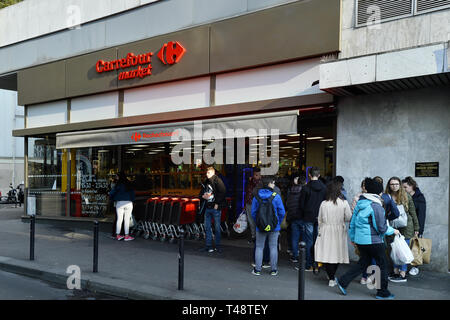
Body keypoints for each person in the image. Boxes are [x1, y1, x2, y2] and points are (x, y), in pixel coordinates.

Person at [335, 178, 400, 300]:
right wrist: (393, 230)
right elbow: (381, 228)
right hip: (373, 241)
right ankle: (382, 292)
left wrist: (353, 238)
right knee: (383, 265)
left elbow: (353, 223)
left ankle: (343, 281)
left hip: (361, 241)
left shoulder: (360, 202)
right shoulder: (376, 206)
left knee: (363, 263)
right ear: (378, 193)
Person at [314, 179, 352, 287]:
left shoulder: (324, 203)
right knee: (337, 254)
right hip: (339, 229)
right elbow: (349, 217)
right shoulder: (344, 203)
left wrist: (321, 228)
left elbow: (319, 219)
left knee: (327, 253)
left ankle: (330, 277)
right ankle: (332, 277)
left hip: (326, 229)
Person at [385, 176, 419, 283]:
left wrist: (417, 228)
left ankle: (402, 273)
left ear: (399, 185)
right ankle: (395, 271)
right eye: (392, 184)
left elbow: (413, 212)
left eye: (396, 184)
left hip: (406, 227)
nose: (394, 186)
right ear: (389, 185)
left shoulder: (406, 196)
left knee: (403, 250)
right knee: (394, 249)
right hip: (392, 226)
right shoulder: (386, 197)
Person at [251, 175, 286, 276]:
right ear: (269, 184)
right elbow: (282, 212)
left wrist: (259, 222)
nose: (274, 184)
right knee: (273, 247)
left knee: (259, 247)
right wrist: (277, 222)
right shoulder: (276, 196)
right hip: (274, 227)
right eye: (273, 183)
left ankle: (257, 269)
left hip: (260, 226)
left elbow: (253, 213)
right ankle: (274, 270)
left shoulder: (256, 196)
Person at [297, 166, 327, 271]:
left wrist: (304, 213)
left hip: (308, 217)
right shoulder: (324, 188)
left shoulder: (305, 188)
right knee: (318, 240)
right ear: (319, 175)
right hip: (320, 217)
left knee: (308, 241)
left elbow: (301, 204)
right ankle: (317, 264)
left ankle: (308, 264)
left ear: (309, 175)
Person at [200, 167, 227, 253]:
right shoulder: (206, 181)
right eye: (206, 173)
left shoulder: (217, 180)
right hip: (208, 207)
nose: (206, 174)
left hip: (215, 208)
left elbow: (223, 192)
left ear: (212, 173)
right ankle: (208, 246)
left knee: (216, 228)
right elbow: (201, 192)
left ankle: (217, 246)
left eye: (208, 173)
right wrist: (202, 196)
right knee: (207, 227)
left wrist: (217, 203)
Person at [286, 172, 306, 263]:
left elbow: (287, 204)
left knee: (294, 237)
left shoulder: (291, 191)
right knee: (304, 238)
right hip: (302, 217)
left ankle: (294, 256)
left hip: (293, 217)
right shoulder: (304, 191)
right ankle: (303, 256)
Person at [109, 172, 136, 241]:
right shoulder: (129, 184)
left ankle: (118, 235)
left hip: (120, 203)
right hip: (129, 203)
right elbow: (133, 194)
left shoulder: (118, 185)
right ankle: (126, 236)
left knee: (119, 219)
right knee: (127, 220)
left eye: (117, 176)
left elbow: (111, 193)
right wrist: (132, 200)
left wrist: (113, 199)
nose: (116, 178)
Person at [244, 167, 262, 243]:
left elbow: (257, 184)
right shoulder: (250, 181)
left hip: (257, 204)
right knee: (251, 221)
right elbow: (247, 192)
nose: (255, 176)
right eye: (254, 174)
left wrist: (252, 179)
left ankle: (258, 237)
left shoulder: (260, 182)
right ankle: (253, 236)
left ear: (260, 175)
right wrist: (245, 204)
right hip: (249, 203)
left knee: (257, 221)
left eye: (257, 175)